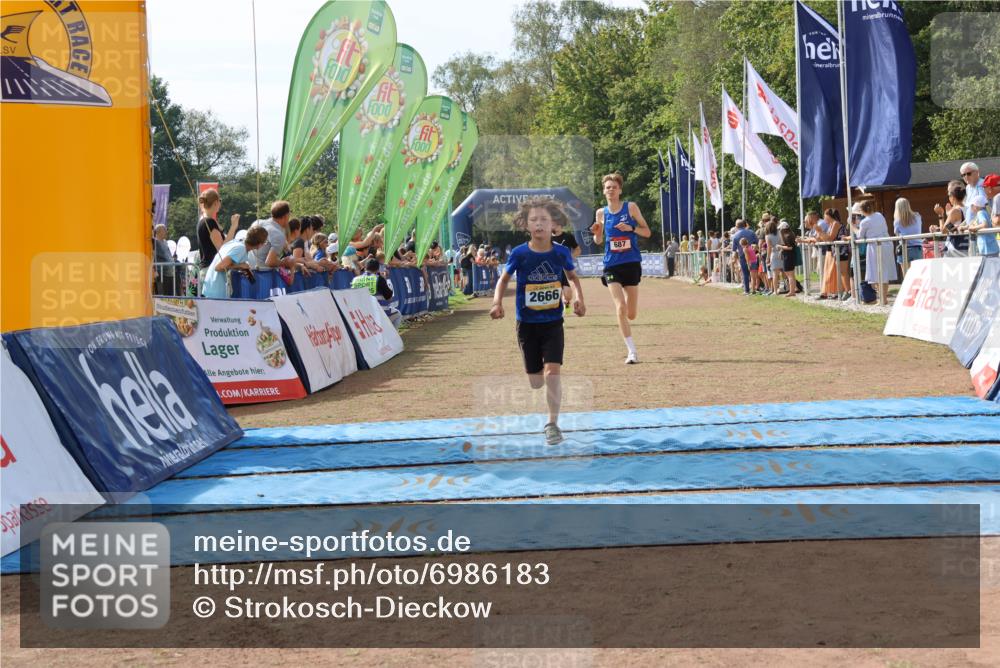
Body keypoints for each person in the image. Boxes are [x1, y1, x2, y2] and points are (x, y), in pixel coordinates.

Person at [491, 197, 586, 445]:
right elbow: (503, 280)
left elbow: (573, 278)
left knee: (553, 372)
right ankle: (539, 380)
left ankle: (552, 424)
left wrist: (578, 298)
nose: (540, 224)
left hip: (553, 323)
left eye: (544, 219)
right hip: (527, 325)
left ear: (554, 223)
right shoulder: (520, 254)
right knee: (535, 382)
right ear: (526, 224)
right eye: (534, 220)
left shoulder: (561, 252)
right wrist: (496, 302)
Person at [589, 172, 651, 364]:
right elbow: (598, 241)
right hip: (611, 264)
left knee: (631, 313)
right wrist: (597, 233)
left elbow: (647, 232)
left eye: (614, 187)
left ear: (620, 190)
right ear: (603, 191)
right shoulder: (601, 213)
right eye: (608, 187)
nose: (611, 190)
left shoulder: (630, 207)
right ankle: (632, 351)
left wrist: (631, 228)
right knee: (620, 307)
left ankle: (628, 306)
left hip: (631, 262)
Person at [202, 224, 268, 299]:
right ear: (259, 244)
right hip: (217, 291)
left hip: (211, 287)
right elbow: (219, 267)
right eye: (264, 242)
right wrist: (239, 266)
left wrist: (238, 267)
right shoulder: (241, 249)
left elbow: (225, 264)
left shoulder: (237, 242)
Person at [851, 200, 896, 304]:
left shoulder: (865, 221)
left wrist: (853, 226)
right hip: (887, 244)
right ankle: (883, 299)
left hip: (875, 247)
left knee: (876, 272)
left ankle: (882, 299)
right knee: (884, 272)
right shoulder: (879, 215)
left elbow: (860, 235)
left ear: (862, 210)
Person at [196, 188, 239, 285]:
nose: (220, 203)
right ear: (215, 202)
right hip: (212, 270)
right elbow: (222, 248)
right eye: (220, 201)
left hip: (208, 269)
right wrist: (233, 227)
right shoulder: (209, 222)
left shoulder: (203, 220)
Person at [352, 257, 402, 328]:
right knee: (398, 315)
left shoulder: (355, 280)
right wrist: (385, 279)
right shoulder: (379, 279)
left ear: (365, 268)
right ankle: (391, 337)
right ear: (378, 269)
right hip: (378, 312)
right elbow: (389, 298)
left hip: (360, 313)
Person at [817, 208, 851, 300]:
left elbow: (830, 238)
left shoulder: (835, 223)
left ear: (829, 215)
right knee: (841, 272)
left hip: (841, 250)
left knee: (843, 272)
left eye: (825, 215)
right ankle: (845, 291)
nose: (824, 218)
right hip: (836, 250)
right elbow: (826, 238)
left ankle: (848, 291)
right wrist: (820, 233)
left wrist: (820, 232)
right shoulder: (832, 224)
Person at [935, 181, 970, 257]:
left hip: (955, 250)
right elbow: (955, 229)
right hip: (965, 248)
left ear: (952, 197)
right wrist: (949, 215)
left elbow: (944, 230)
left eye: (948, 194)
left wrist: (940, 215)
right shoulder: (968, 209)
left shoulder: (955, 211)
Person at [552, 219, 580, 309]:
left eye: (556, 224)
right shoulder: (547, 238)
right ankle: (557, 311)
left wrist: (570, 257)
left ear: (561, 225)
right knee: (555, 292)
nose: (554, 226)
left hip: (566, 269)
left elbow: (578, 249)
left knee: (567, 294)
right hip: (552, 269)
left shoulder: (568, 236)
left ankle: (566, 310)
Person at [892, 197, 924, 272]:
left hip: (904, 248)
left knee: (906, 277)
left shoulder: (897, 221)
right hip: (917, 248)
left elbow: (896, 234)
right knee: (918, 275)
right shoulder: (917, 216)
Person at [731, 219, 758, 295]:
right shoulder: (751, 232)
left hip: (742, 256)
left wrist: (734, 259)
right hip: (753, 256)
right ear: (745, 225)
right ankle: (754, 289)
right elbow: (757, 242)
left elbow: (734, 249)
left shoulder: (735, 235)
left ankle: (747, 290)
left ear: (737, 226)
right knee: (753, 274)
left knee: (745, 273)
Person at [152, 224, 175, 296]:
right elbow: (153, 256)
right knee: (163, 295)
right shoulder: (155, 242)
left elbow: (169, 255)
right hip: (162, 273)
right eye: (164, 230)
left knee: (170, 294)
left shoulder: (165, 242)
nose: (166, 232)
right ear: (158, 232)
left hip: (170, 273)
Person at [777, 221, 798, 297]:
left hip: (788, 256)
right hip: (789, 256)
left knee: (790, 275)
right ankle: (793, 290)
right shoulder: (789, 234)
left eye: (780, 229)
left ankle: (792, 292)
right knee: (791, 275)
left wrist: (780, 247)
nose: (780, 231)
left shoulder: (787, 236)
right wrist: (781, 250)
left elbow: (790, 247)